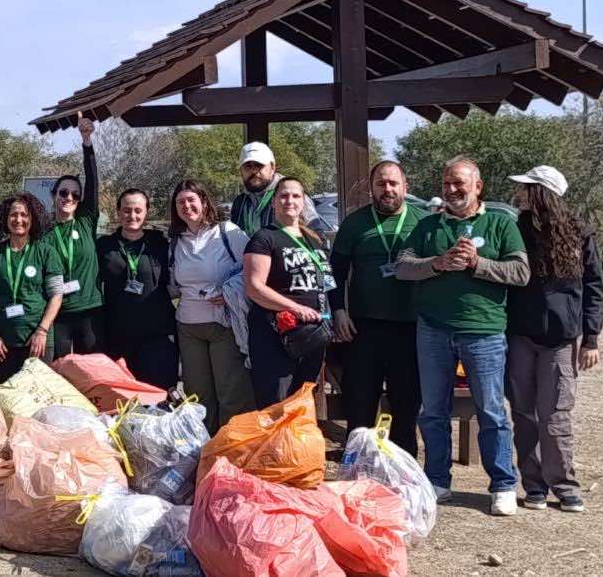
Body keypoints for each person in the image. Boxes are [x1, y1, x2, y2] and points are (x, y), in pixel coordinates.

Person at [396, 157, 529, 515]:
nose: (452, 190)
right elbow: (402, 268)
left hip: (484, 332)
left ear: (478, 187)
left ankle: (502, 484)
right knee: (433, 411)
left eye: (460, 184)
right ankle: (438, 480)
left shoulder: (501, 223)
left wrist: (477, 264)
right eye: (446, 185)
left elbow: (521, 272)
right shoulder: (427, 227)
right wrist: (437, 263)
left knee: (491, 411)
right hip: (433, 330)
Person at [506, 165, 603, 513]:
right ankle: (533, 485)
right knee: (524, 413)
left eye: (527, 188)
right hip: (519, 334)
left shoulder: (579, 232)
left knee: (556, 414)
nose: (520, 194)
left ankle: (564, 485)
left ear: (542, 193)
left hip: (561, 339)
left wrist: (591, 337)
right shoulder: (516, 228)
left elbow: (594, 287)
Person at [328, 161, 421, 455]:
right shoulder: (355, 223)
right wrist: (338, 311)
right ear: (371, 188)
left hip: (410, 327)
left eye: (393, 183)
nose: (388, 189)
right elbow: (335, 273)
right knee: (360, 402)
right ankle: (358, 465)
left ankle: (402, 467)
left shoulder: (423, 221)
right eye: (381, 184)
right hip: (363, 327)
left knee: (406, 403)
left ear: (405, 186)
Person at [169, 179, 254, 433]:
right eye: (180, 202)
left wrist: (229, 290)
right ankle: (205, 453)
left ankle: (232, 450)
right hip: (188, 326)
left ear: (204, 201)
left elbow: (254, 268)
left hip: (223, 323)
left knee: (231, 394)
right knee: (199, 397)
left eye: (191, 200)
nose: (186, 206)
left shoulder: (228, 233)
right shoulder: (175, 240)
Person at [243, 177, 333, 408]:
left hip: (312, 334)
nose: (289, 201)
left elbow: (326, 282)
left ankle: (297, 446)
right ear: (273, 203)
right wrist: (294, 307)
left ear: (303, 202)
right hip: (276, 334)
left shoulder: (315, 239)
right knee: (276, 404)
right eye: (283, 196)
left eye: (295, 196)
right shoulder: (264, 238)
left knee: (302, 403)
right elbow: (254, 287)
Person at [95, 189, 179, 390]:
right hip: (118, 337)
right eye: (126, 210)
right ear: (117, 212)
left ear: (146, 212)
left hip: (157, 336)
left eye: (137, 210)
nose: (132, 216)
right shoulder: (104, 246)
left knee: (159, 396)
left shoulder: (161, 243)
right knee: (123, 400)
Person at [0, 192, 65, 383]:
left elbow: (57, 294)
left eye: (25, 215)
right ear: (5, 218)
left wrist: (42, 331)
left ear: (33, 219)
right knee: (10, 401)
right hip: (3, 342)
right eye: (13, 215)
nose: (19, 220)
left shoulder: (46, 252)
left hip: (38, 341)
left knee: (38, 399)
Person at [40, 114, 102, 356]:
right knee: (61, 376)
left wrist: (87, 142)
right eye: (63, 193)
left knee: (92, 376)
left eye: (75, 195)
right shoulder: (43, 230)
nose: (69, 198)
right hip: (59, 314)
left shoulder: (86, 221)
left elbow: (93, 182)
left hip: (90, 312)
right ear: (54, 195)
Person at [230, 141, 317, 237]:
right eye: (247, 166)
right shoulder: (240, 202)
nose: (253, 171)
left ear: (272, 167)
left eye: (259, 165)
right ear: (241, 171)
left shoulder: (291, 194)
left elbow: (316, 234)